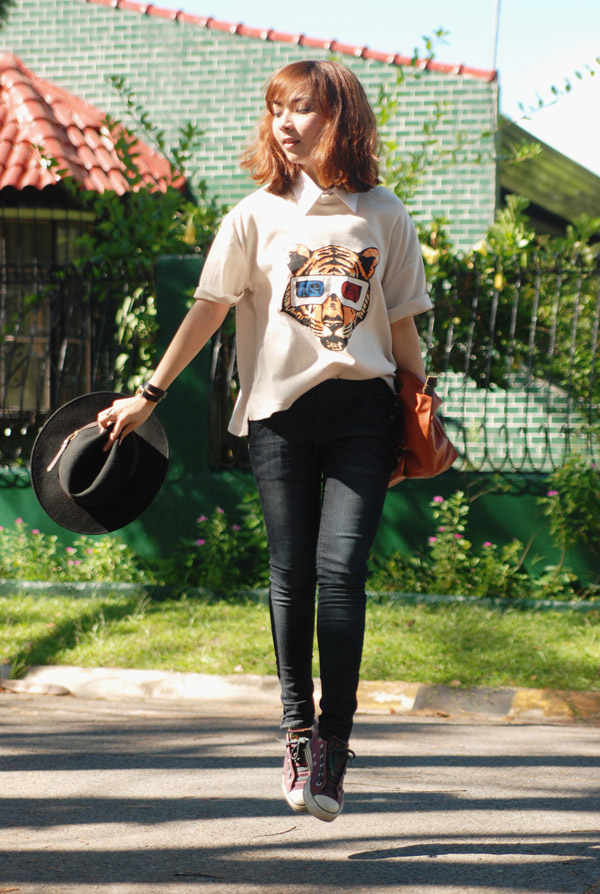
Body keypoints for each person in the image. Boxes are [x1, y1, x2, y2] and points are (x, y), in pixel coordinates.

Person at [97, 59, 432, 822]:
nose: (286, 123)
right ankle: (296, 731)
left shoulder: (384, 213)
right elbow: (208, 310)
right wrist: (149, 395)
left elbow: (403, 326)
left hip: (364, 415)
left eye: (303, 108)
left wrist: (420, 422)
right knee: (292, 573)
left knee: (341, 572)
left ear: (340, 116)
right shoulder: (254, 215)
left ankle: (335, 746)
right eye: (277, 108)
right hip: (279, 415)